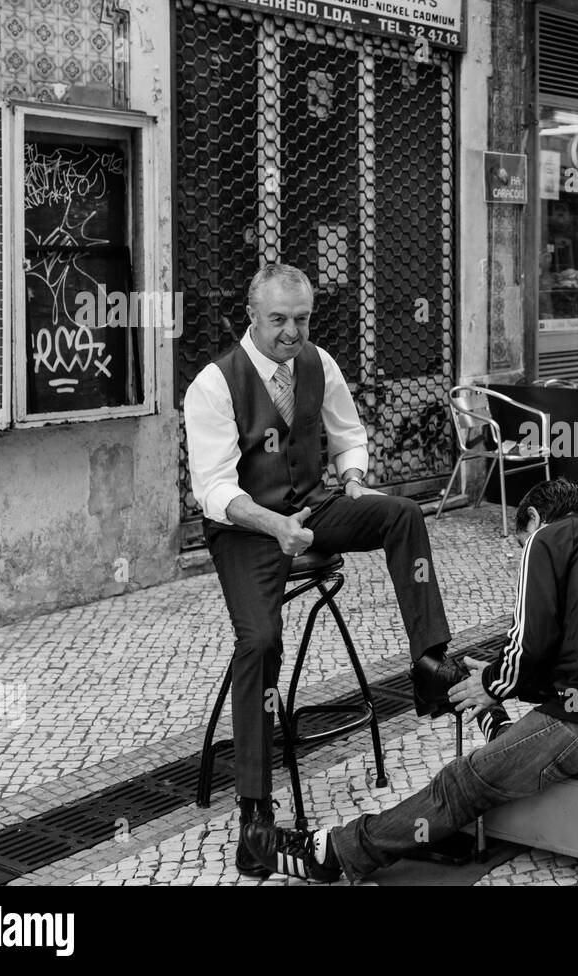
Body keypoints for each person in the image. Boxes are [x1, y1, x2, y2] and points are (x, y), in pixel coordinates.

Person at [244, 477, 578, 883]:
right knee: (511, 737)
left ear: (532, 518)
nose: (521, 552)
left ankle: (334, 853)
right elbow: (567, 652)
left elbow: (529, 644)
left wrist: (491, 684)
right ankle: (501, 733)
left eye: (519, 542)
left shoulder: (547, 539)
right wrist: (497, 681)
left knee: (461, 782)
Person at [183, 263, 466, 877]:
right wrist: (275, 525)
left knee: (401, 517)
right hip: (245, 526)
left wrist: (356, 480)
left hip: (314, 505)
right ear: (252, 316)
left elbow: (348, 434)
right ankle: (254, 815)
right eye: (279, 320)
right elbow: (211, 489)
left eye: (302, 319)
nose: (292, 332)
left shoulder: (320, 364)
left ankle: (427, 664)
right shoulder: (213, 385)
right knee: (259, 641)